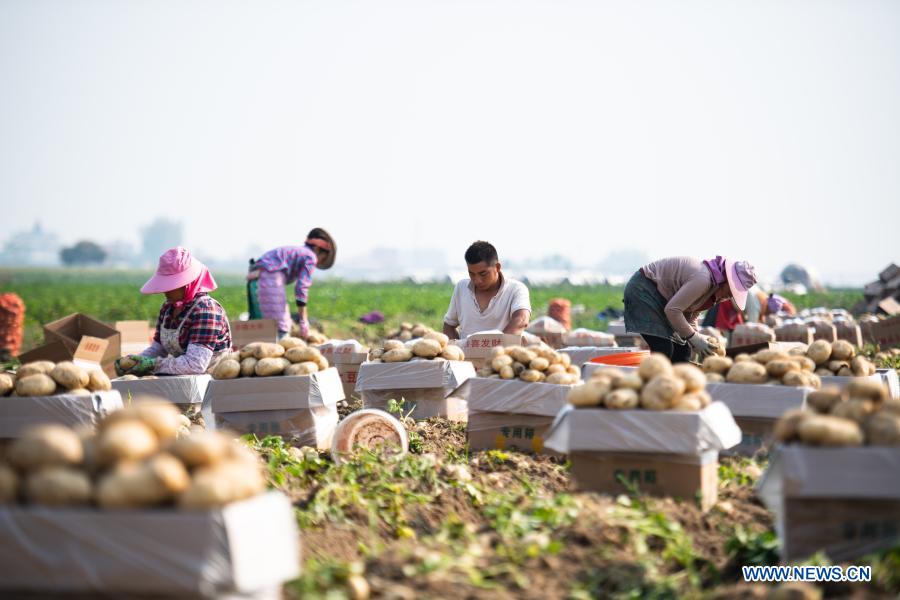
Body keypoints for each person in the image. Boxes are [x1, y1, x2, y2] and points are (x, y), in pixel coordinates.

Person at [115, 247, 232, 376]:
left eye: (172, 285)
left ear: (187, 284)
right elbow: (157, 349)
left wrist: (153, 364)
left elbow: (195, 364)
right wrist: (134, 362)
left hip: (211, 385)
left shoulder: (206, 310)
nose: (166, 290)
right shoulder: (168, 308)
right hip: (182, 382)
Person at [624, 255, 758, 362]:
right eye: (732, 290)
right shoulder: (703, 279)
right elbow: (673, 310)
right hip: (644, 290)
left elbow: (691, 314)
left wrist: (697, 339)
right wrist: (694, 337)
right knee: (663, 350)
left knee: (683, 351)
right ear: (726, 280)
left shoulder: (714, 290)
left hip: (664, 300)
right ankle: (655, 389)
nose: (730, 296)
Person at [248, 228, 336, 339]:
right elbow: (301, 287)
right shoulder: (311, 257)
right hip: (271, 275)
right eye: (323, 257)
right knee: (280, 325)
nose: (319, 261)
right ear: (318, 249)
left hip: (264, 273)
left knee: (273, 319)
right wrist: (303, 320)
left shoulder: (299, 252)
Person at [442, 241, 531, 340]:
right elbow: (449, 325)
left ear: (497, 267)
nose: (477, 280)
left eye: (483, 274)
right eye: (472, 274)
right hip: (467, 355)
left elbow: (521, 320)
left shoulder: (516, 289)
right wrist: (458, 349)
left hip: (502, 354)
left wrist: (498, 348)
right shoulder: (461, 288)